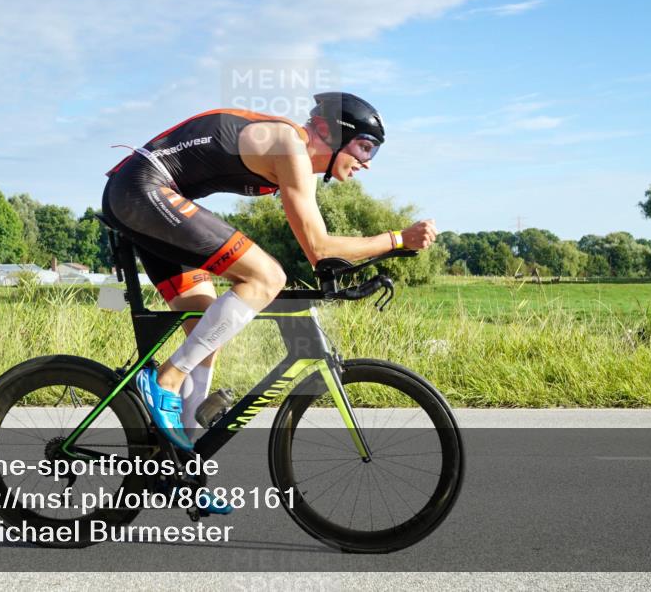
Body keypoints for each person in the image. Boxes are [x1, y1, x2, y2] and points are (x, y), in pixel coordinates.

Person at [101, 93, 437, 510]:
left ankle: (178, 463)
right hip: (141, 191)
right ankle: (165, 381)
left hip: (147, 199)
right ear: (332, 134)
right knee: (267, 276)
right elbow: (318, 247)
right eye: (365, 147)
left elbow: (323, 252)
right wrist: (397, 239)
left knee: (207, 326)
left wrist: (370, 261)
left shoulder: (296, 159)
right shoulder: (289, 146)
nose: (368, 161)